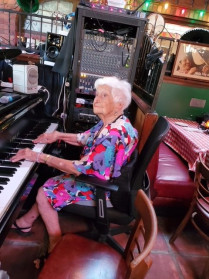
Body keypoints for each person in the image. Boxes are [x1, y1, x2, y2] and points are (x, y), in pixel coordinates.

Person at [10, 76, 138, 257]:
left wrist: (37, 156)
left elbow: (78, 168)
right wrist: (57, 136)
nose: (96, 99)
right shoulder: (114, 122)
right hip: (108, 179)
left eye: (104, 96)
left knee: (44, 192)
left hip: (105, 190)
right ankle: (26, 220)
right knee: (50, 180)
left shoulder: (112, 135)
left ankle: (54, 245)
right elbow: (84, 138)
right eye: (97, 94)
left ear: (118, 105)